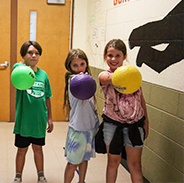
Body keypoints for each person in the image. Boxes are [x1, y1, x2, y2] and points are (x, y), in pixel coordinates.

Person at [98, 39, 149, 183]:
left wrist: (146, 121)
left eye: (118, 55)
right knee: (113, 162)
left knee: (135, 165)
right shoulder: (104, 75)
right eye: (110, 55)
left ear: (124, 56)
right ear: (105, 57)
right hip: (112, 126)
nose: (113, 59)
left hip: (135, 125)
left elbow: (141, 99)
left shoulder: (133, 76)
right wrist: (130, 74)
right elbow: (110, 78)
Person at [12, 40, 54, 183]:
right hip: (23, 121)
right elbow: (15, 66)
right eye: (30, 52)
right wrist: (23, 63)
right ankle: (18, 176)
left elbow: (48, 97)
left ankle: (41, 175)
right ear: (23, 55)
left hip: (38, 120)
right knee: (21, 150)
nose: (33, 55)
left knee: (38, 149)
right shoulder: (20, 71)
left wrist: (49, 118)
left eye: (36, 53)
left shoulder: (43, 75)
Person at [63, 49, 99, 183]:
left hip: (89, 127)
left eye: (82, 64)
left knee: (84, 159)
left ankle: (82, 181)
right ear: (70, 67)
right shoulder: (73, 80)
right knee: (72, 163)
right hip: (77, 129)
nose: (79, 68)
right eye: (75, 65)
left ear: (86, 64)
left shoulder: (88, 79)